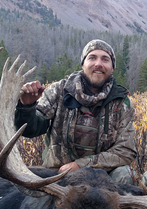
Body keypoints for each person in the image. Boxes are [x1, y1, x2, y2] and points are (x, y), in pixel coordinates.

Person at [14, 39, 137, 184]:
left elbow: (126, 151)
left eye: (105, 59)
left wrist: (81, 165)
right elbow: (30, 130)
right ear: (83, 64)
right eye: (92, 57)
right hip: (57, 175)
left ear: (112, 67)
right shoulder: (59, 90)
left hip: (102, 178)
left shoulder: (122, 102)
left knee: (126, 175)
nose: (98, 64)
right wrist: (26, 107)